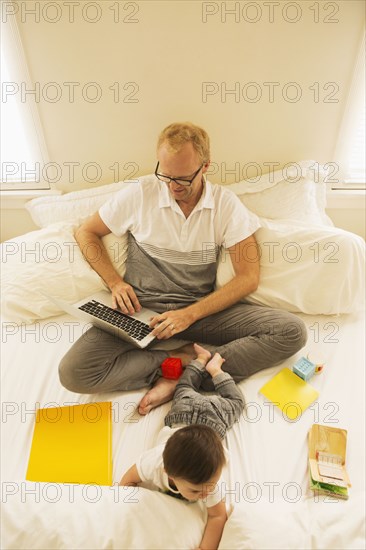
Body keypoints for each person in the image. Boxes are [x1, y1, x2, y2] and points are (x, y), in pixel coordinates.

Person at [59, 121, 307, 413]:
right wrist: (115, 282)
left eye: (183, 178)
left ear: (205, 166)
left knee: (291, 331)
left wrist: (188, 315)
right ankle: (180, 364)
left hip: (198, 311)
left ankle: (185, 376)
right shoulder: (141, 194)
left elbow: (248, 278)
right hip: (139, 311)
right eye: (166, 175)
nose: (173, 186)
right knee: (73, 372)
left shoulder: (225, 205)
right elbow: (86, 233)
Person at [119, 344, 245, 550]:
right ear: (167, 472)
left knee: (230, 400)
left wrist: (205, 548)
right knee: (183, 389)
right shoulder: (154, 462)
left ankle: (211, 367)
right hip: (186, 415)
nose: (205, 494)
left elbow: (217, 516)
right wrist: (124, 506)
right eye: (195, 491)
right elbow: (129, 479)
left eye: (208, 488)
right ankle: (203, 362)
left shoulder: (209, 480)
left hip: (212, 419)